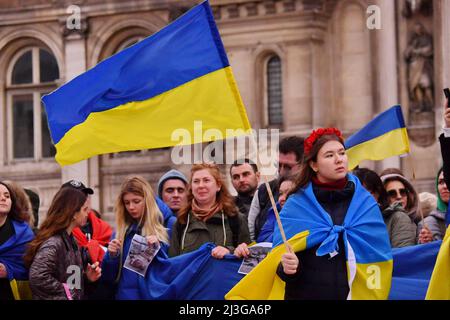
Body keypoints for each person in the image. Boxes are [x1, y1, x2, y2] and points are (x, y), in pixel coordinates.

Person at [275, 128, 391, 300]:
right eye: (329, 155)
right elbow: (278, 260)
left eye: (342, 153)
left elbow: (378, 255)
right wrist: (288, 268)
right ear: (314, 165)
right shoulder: (296, 205)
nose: (339, 159)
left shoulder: (365, 203)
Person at [25, 188, 102, 300]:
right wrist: (69, 293)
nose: (88, 213)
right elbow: (38, 277)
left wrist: (87, 279)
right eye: (85, 209)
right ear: (73, 213)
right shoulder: (54, 243)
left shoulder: (73, 241)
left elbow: (70, 282)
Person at [101, 176, 169, 300]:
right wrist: (111, 256)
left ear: (147, 200)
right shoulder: (119, 233)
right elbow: (108, 278)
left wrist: (159, 248)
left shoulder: (166, 226)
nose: (131, 207)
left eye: (136, 201)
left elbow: (171, 269)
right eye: (127, 203)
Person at [169, 163, 250, 258]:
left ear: (218, 186)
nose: (201, 185)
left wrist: (230, 251)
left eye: (206, 180)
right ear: (191, 187)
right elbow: (173, 262)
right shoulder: (181, 221)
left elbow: (248, 260)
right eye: (196, 181)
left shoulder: (235, 219)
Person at [248, 136, 304, 241]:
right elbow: (251, 234)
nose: (281, 171)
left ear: (303, 165)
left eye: (288, 167)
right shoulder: (264, 191)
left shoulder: (313, 194)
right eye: (278, 165)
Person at [353, 168, 416, 248]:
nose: (399, 196)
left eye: (403, 192)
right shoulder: (344, 221)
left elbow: (404, 255)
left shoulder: (398, 218)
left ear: (378, 193)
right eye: (392, 193)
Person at [60, 180, 112, 264]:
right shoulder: (60, 233)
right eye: (77, 198)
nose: (84, 200)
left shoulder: (104, 228)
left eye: (86, 196)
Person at [0, 181, 34, 300]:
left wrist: (8, 271)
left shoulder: (25, 234)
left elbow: (33, 271)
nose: (3, 198)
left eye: (7, 196)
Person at [256, 175, 295, 243]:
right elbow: (262, 239)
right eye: (280, 193)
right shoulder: (274, 211)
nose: (281, 198)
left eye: (289, 193)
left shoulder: (309, 218)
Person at [417, 168, 449, 243]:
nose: (445, 186)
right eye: (441, 182)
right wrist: (428, 242)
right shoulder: (428, 223)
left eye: (448, 181)